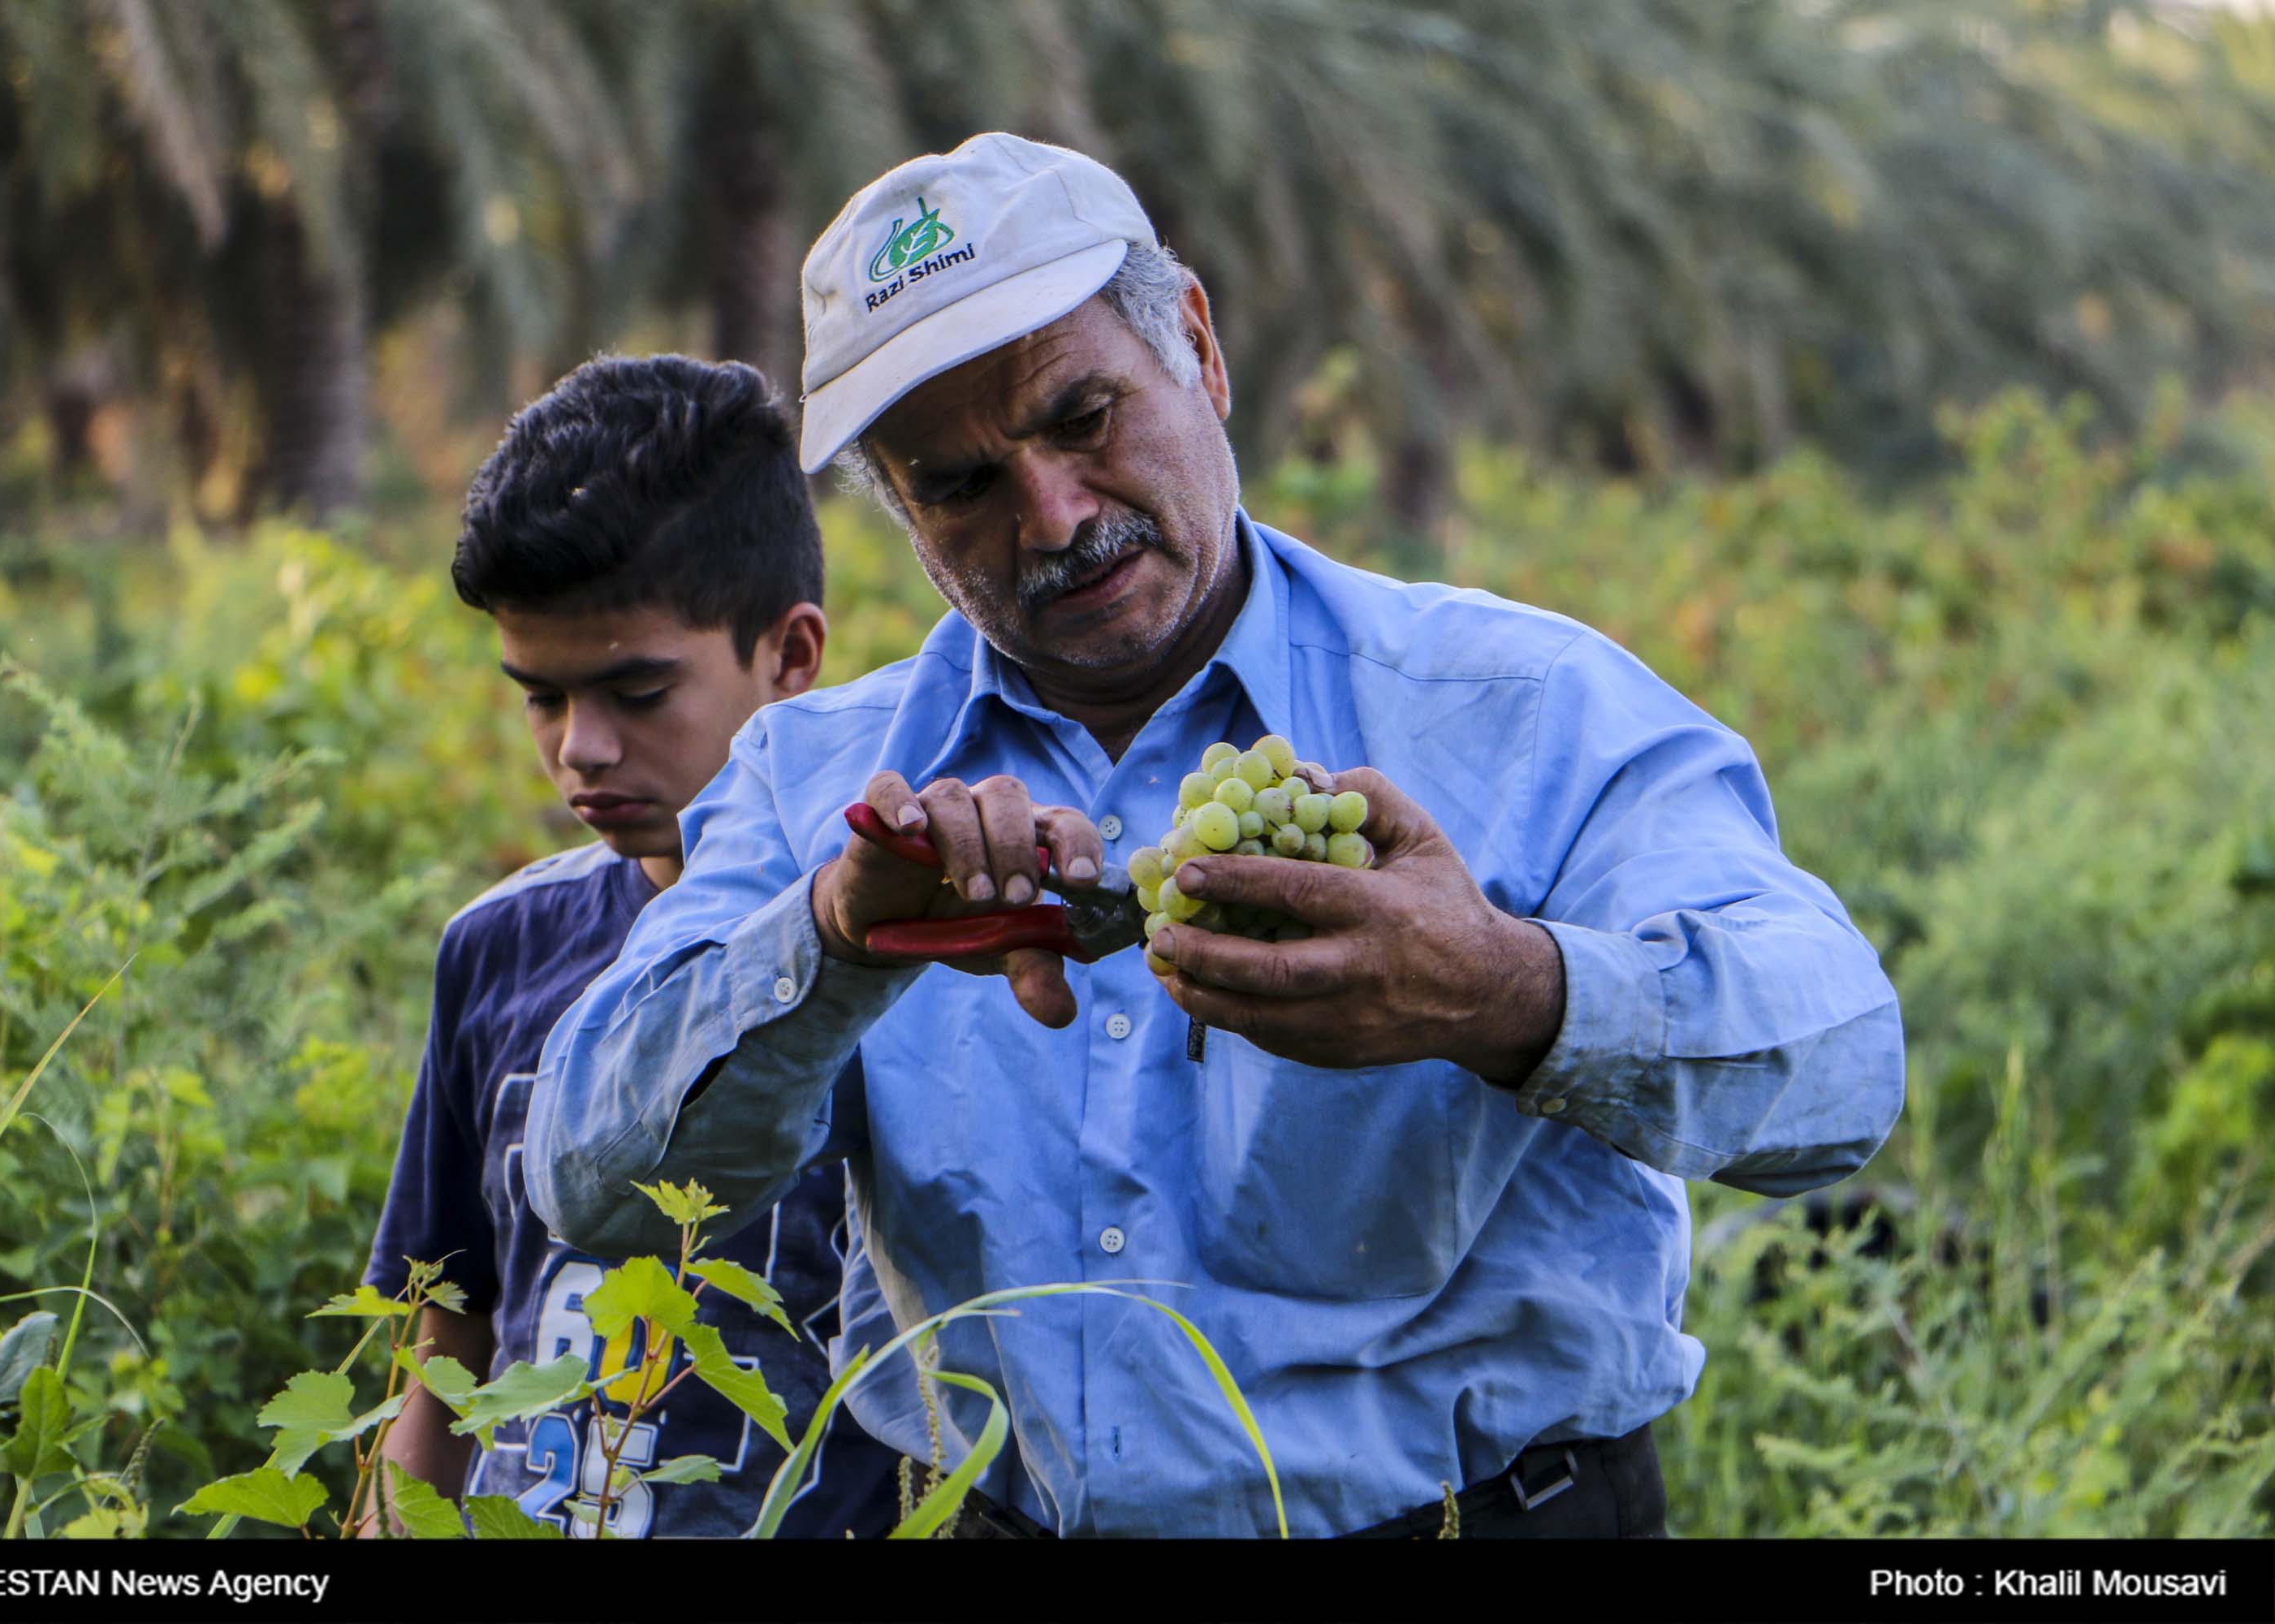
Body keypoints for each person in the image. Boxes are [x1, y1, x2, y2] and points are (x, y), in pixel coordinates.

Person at [524, 136, 1907, 1538]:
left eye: (1083, 417)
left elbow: (1842, 1066)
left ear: (1197, 349)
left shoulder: (1522, 709)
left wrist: (1508, 992)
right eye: (960, 485)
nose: (1052, 516)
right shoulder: (819, 784)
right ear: (901, 509)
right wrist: (834, 941)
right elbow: (585, 1179)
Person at [363, 355, 903, 1538]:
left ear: (791, 656)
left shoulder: (887, 965)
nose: (580, 751)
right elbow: (450, 1335)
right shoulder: (498, 947)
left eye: (636, 691)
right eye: (542, 697)